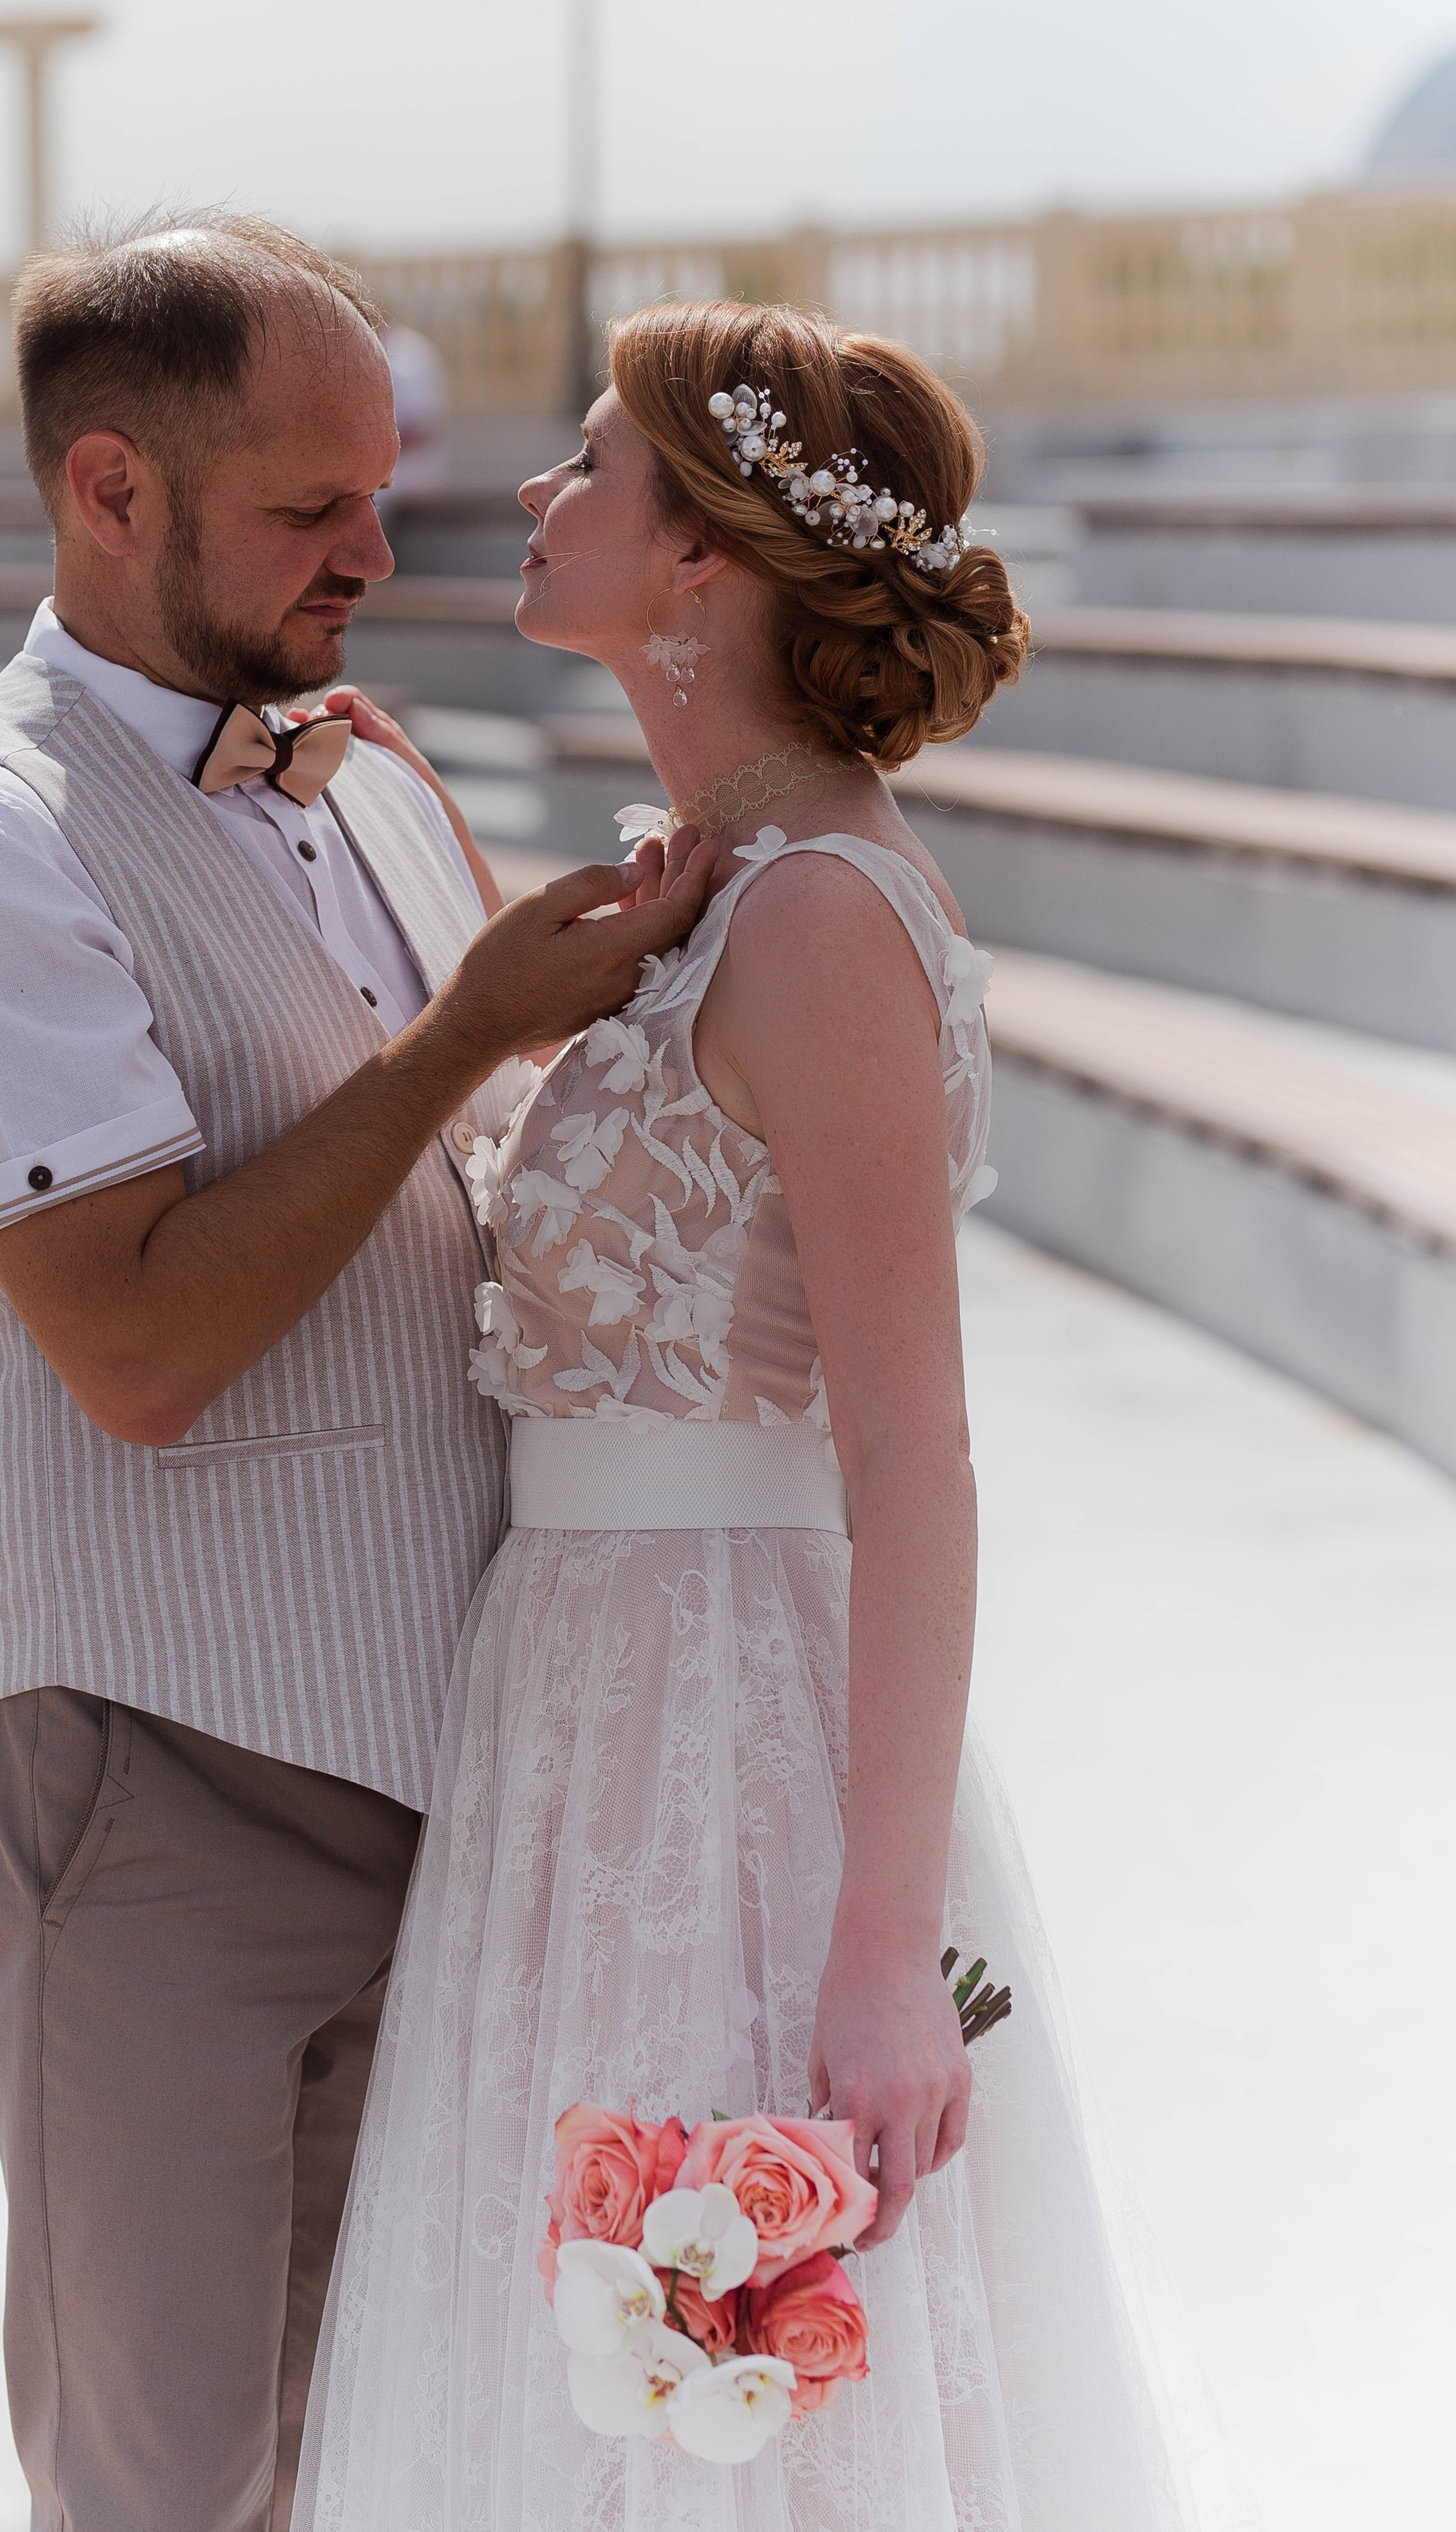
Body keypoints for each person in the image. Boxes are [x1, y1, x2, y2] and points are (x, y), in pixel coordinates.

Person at [0, 216, 717, 2532]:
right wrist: (463, 1038)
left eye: (380, 481)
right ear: (112, 492)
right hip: (160, 1789)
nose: (376, 545)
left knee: (401, 2464)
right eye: (309, 508)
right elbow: (134, 1341)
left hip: (461, 1771)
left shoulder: (366, 779)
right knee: (171, 2488)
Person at [297, 303, 1193, 2529]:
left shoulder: (816, 924)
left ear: (705, 559)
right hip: (571, 1716)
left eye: (588, 461)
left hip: (729, 1729)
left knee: (740, 2404)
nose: (531, 490)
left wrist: (882, 1946)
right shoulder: (711, 901)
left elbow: (914, 1450)